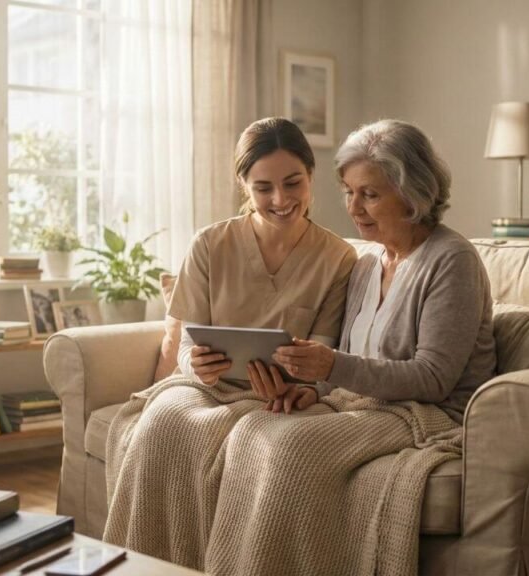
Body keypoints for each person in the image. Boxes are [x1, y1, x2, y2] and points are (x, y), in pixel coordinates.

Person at [205, 119, 496, 575]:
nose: (354, 208)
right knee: (251, 431)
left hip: (428, 413)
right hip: (364, 405)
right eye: (348, 192)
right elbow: (345, 366)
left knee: (292, 450)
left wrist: (331, 369)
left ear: (413, 192)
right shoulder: (365, 263)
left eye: (370, 194)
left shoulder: (451, 260)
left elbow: (434, 378)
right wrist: (313, 391)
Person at [103, 118, 357, 567]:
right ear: (243, 185)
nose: (281, 200)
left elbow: (323, 352)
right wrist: (193, 364)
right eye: (263, 188)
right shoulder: (209, 244)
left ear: (311, 176)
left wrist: (302, 387)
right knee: (162, 423)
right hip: (205, 387)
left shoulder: (338, 257)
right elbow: (185, 344)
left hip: (277, 402)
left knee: (259, 446)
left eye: (292, 183)